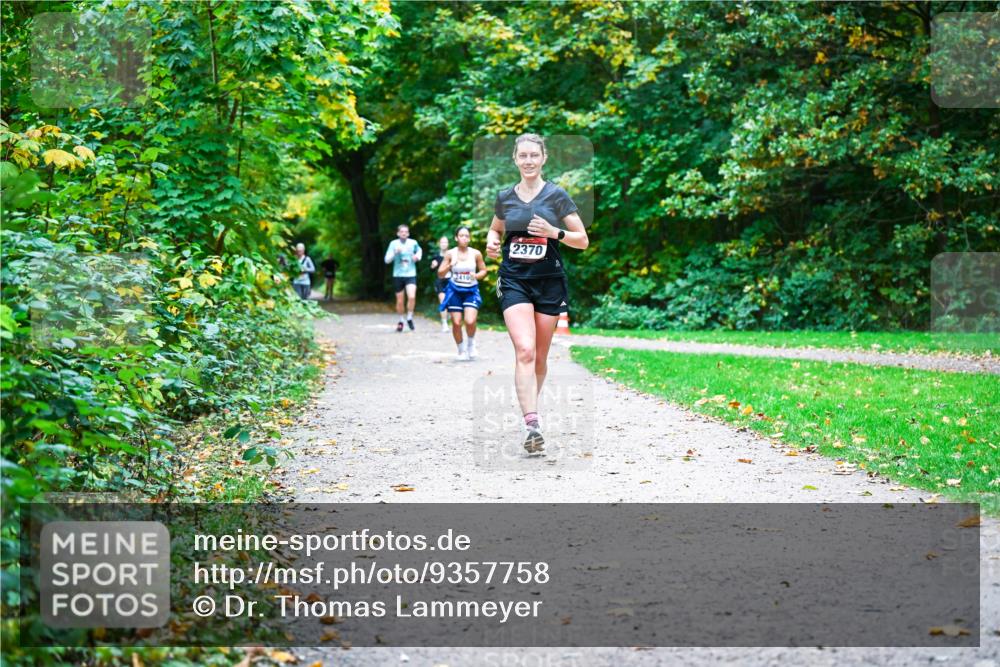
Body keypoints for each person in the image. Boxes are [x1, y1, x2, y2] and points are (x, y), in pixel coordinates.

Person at [486, 134, 588, 454]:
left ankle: (531, 413)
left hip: (549, 282)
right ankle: (531, 423)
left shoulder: (557, 196)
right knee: (526, 351)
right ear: (515, 159)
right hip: (515, 279)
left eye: (534, 155)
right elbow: (496, 229)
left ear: (544, 158)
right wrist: (491, 242)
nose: (528, 161)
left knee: (540, 357)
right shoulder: (505, 197)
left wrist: (553, 232)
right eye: (523, 156)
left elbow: (582, 239)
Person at [437, 226, 487, 361]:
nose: (464, 238)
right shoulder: (450, 254)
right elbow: (440, 274)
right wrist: (449, 265)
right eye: (461, 235)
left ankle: (471, 344)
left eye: (466, 236)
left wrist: (476, 275)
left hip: (471, 290)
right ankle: (461, 350)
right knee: (456, 322)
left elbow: (484, 271)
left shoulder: (476, 253)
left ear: (469, 238)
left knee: (470, 321)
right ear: (456, 238)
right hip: (454, 291)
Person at [384, 224, 422, 332]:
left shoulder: (413, 243)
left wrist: (417, 257)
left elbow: (419, 251)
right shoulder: (393, 244)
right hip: (398, 275)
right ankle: (401, 320)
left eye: (406, 231)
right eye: (402, 231)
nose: (404, 233)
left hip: (410, 274)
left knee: (412, 297)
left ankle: (409, 317)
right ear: (398, 233)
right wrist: (394, 253)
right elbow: (386, 260)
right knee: (400, 301)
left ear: (408, 233)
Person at [430, 236, 451, 332]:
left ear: (448, 244)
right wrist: (433, 265)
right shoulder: (436, 256)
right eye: (442, 242)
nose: (444, 244)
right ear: (439, 244)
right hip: (440, 281)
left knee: (451, 302)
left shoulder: (452, 255)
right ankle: (444, 323)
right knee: (443, 302)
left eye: (445, 242)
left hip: (451, 281)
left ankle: (449, 313)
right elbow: (431, 270)